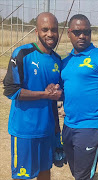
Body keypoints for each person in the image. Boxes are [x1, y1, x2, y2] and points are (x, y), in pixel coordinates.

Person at [60, 14, 98, 180]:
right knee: (75, 171)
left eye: (86, 32)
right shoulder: (65, 62)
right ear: (69, 33)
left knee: (83, 175)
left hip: (91, 125)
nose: (82, 36)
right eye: (77, 32)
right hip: (68, 124)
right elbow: (62, 91)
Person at [3, 12, 62, 180]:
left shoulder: (58, 60)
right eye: (45, 29)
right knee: (23, 176)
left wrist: (56, 126)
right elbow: (11, 90)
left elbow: (57, 96)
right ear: (37, 31)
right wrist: (44, 94)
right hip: (25, 131)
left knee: (45, 173)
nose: (50, 34)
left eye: (53, 30)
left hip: (47, 130)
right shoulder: (22, 54)